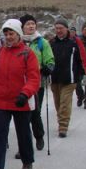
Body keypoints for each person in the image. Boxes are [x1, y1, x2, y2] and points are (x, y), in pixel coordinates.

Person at [0, 19, 40, 169]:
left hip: (20, 100)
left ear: (18, 34)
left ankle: (27, 161)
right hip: (1, 101)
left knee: (23, 133)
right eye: (6, 34)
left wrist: (25, 93)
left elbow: (33, 78)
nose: (8, 37)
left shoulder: (27, 54)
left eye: (12, 33)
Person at [49, 18, 86, 138]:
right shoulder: (51, 42)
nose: (58, 31)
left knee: (64, 103)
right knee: (58, 103)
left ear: (66, 28)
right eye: (56, 28)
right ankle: (61, 120)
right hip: (55, 78)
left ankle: (63, 126)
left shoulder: (75, 42)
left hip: (70, 78)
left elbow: (83, 58)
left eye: (61, 28)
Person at [19, 13, 54, 152]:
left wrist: (48, 68)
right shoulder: (18, 42)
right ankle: (24, 145)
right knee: (22, 115)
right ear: (22, 27)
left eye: (33, 24)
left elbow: (50, 60)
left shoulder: (41, 42)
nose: (31, 26)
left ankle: (39, 136)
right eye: (28, 24)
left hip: (36, 83)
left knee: (34, 112)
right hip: (19, 84)